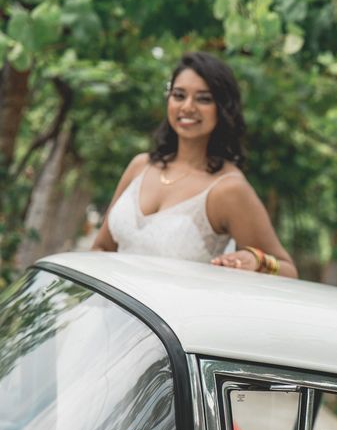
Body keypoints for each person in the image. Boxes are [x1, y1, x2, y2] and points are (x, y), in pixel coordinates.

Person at [91, 52, 298, 278]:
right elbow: (101, 247)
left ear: (223, 107)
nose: (187, 107)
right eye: (179, 95)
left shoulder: (228, 189)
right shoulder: (140, 166)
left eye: (203, 99)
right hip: (110, 310)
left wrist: (257, 260)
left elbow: (288, 270)